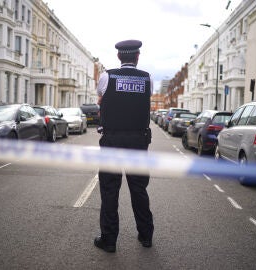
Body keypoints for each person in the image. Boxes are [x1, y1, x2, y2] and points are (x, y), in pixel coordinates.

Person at [94, 39, 154, 253]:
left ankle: (109, 241)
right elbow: (144, 102)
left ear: (119, 56)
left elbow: (101, 101)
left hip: (112, 141)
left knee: (110, 190)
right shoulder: (147, 78)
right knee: (139, 189)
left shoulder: (107, 76)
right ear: (137, 56)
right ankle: (146, 236)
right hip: (138, 142)